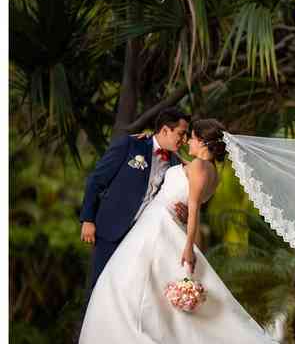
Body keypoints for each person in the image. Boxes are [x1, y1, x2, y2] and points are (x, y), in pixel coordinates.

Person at [79, 119, 277, 343]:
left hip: (159, 227)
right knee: (133, 289)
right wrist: (150, 138)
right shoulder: (208, 170)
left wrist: (189, 247)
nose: (187, 141)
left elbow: (193, 210)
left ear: (202, 142)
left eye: (191, 137)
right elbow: (185, 174)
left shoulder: (200, 168)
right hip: (159, 224)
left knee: (124, 287)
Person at [79, 107, 190, 296]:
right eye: (181, 133)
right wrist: (88, 219)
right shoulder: (131, 145)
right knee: (99, 288)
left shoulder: (176, 165)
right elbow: (96, 180)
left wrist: (185, 214)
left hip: (141, 238)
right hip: (110, 230)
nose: (185, 140)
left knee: (127, 294)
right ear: (165, 130)